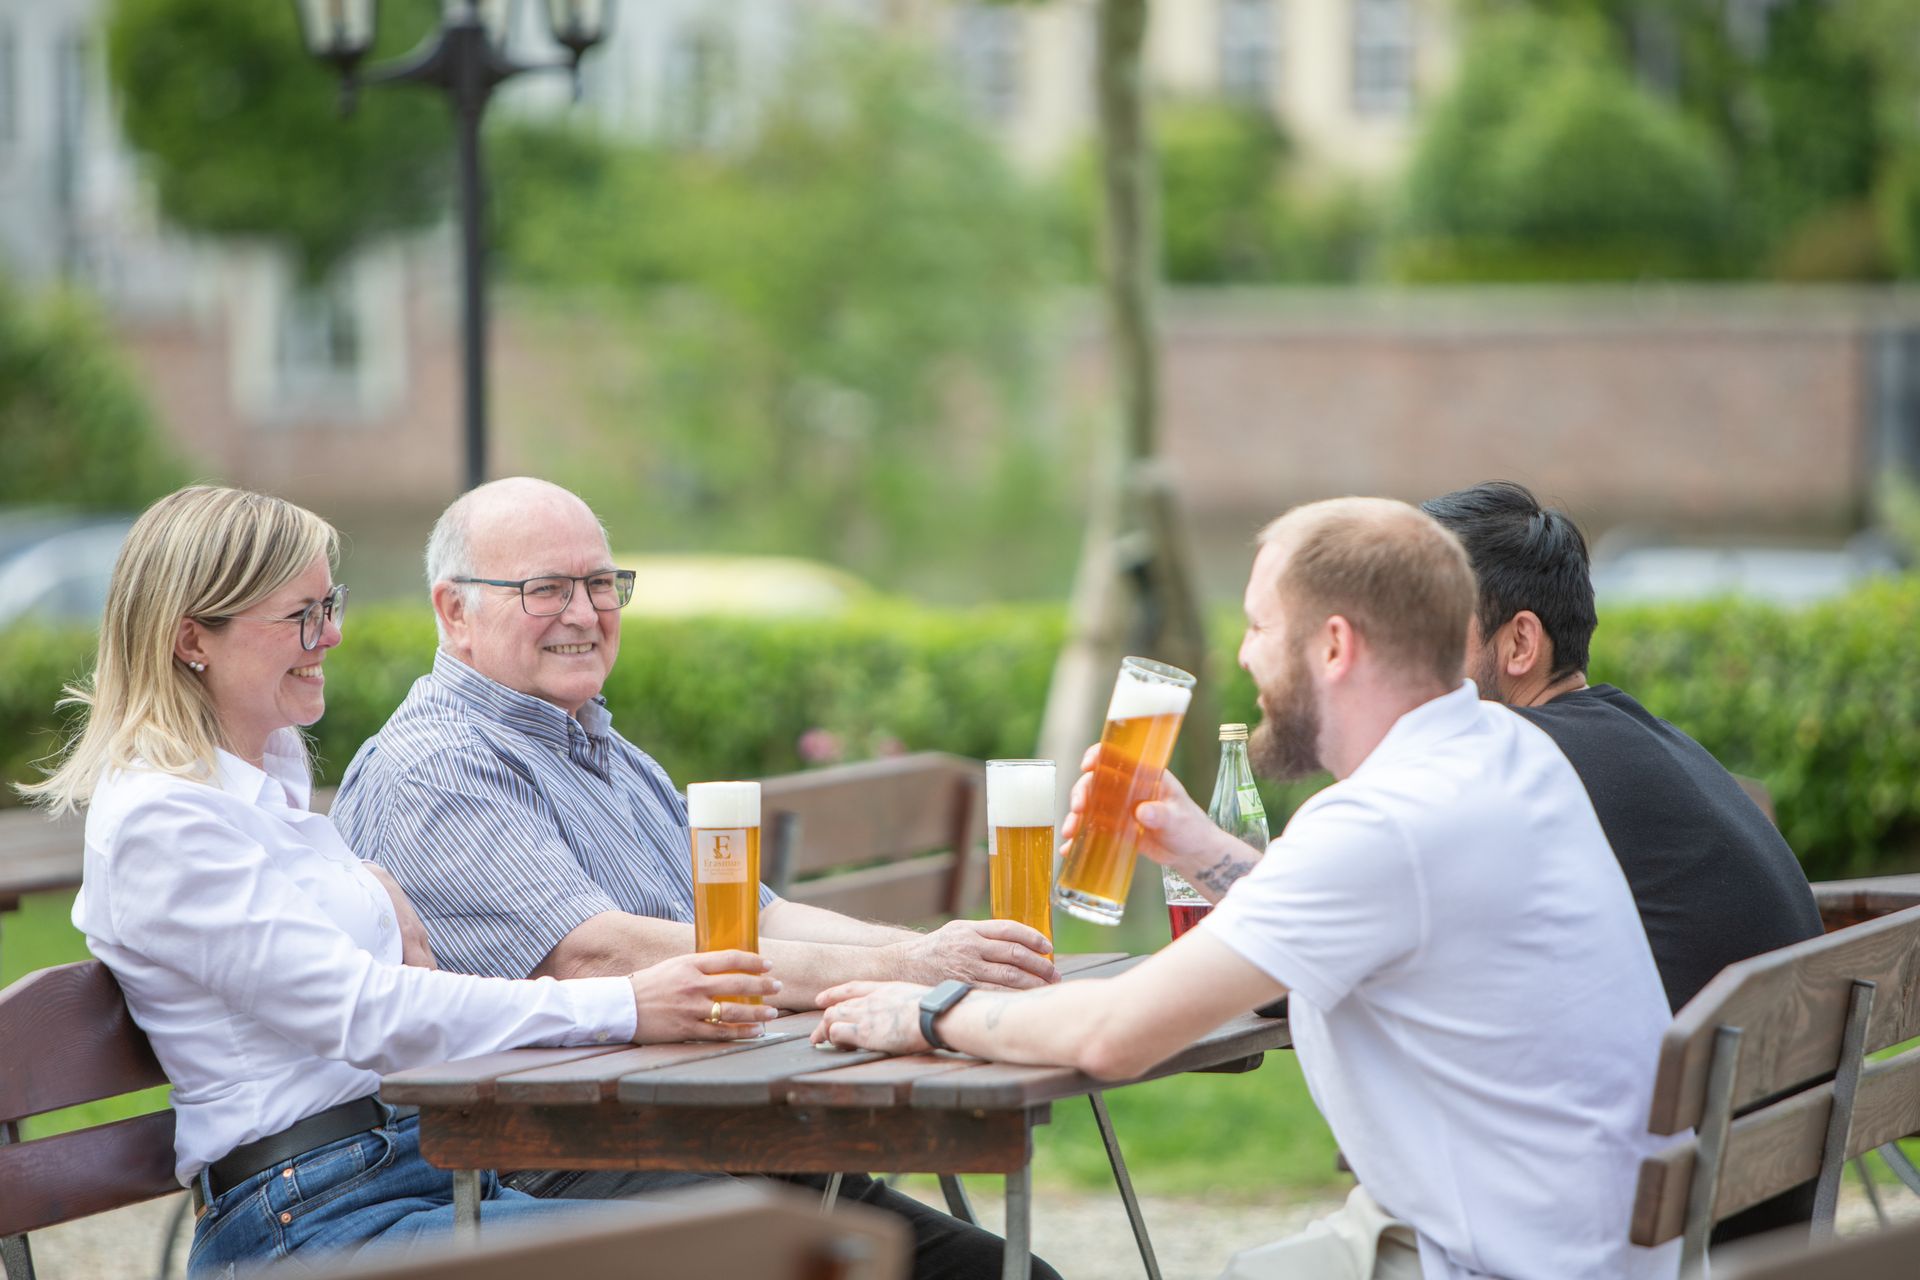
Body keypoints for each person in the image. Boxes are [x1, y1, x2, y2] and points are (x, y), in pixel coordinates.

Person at [813, 498, 1681, 1280]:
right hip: (1585, 1242)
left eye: (1260, 626)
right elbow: (1350, 906)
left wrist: (928, 1010)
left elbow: (1116, 1032)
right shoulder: (1502, 751)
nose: (1244, 654)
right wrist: (1195, 846)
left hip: (1506, 1261)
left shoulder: (1381, 823)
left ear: (1334, 645)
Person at [23, 487, 780, 1278]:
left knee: (759, 1229)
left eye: (331, 605)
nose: (334, 635)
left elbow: (381, 997)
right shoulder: (162, 823)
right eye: (302, 616)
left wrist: (374, 891)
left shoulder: (259, 792)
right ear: (191, 640)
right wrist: (626, 1004)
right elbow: (362, 1012)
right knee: (737, 1250)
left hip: (411, 1176)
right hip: (307, 1224)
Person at [330, 476, 1060, 1279]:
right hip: (565, 1170)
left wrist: (944, 960)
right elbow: (595, 955)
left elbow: (763, 918)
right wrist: (903, 972)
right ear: (454, 611)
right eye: (545, 590)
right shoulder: (437, 765)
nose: (584, 612)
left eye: (601, 583)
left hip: (715, 1135)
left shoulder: (601, 749)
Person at [1419, 479, 1823, 1242]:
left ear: (1519, 643)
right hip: (1757, 1191)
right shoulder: (1632, 736)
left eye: (1425, 631)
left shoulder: (1518, 761)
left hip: (1657, 1224)